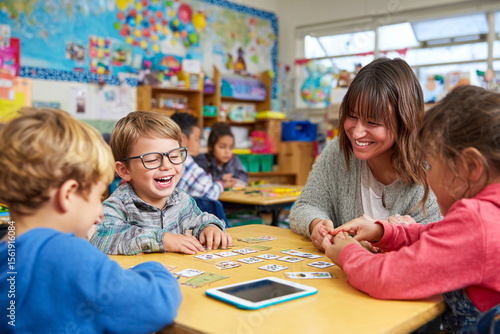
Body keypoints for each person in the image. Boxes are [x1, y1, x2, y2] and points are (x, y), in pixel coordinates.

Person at [322, 85, 500, 333]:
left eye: (431, 164)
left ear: (471, 167)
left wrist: (347, 252)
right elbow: (437, 234)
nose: (427, 175)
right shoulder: (490, 215)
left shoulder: (479, 222)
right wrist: (382, 231)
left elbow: (385, 277)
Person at [0, 108, 181, 333]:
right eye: (98, 197)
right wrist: (155, 268)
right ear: (67, 195)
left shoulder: (7, 254)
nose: (101, 212)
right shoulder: (68, 255)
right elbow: (157, 305)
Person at [289, 57, 442, 251]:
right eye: (352, 116)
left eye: (373, 122)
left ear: (404, 121)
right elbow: (304, 206)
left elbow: (438, 243)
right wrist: (316, 224)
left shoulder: (433, 167)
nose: (357, 132)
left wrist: (406, 237)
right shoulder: (338, 151)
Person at [90, 111, 232, 255]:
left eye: (175, 156)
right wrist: (162, 239)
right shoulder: (119, 205)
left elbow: (199, 220)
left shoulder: (181, 199)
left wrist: (210, 228)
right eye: (152, 159)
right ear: (124, 170)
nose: (167, 166)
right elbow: (99, 237)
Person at [171, 112, 230, 200]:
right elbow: (210, 194)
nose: (200, 143)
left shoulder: (168, 158)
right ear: (182, 139)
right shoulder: (183, 160)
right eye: (197, 139)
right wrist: (221, 183)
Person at [194, 122, 248, 187]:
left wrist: (232, 179)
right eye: (222, 147)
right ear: (211, 147)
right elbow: (201, 182)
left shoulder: (234, 159)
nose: (227, 152)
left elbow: (244, 177)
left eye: (231, 148)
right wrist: (221, 178)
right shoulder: (202, 160)